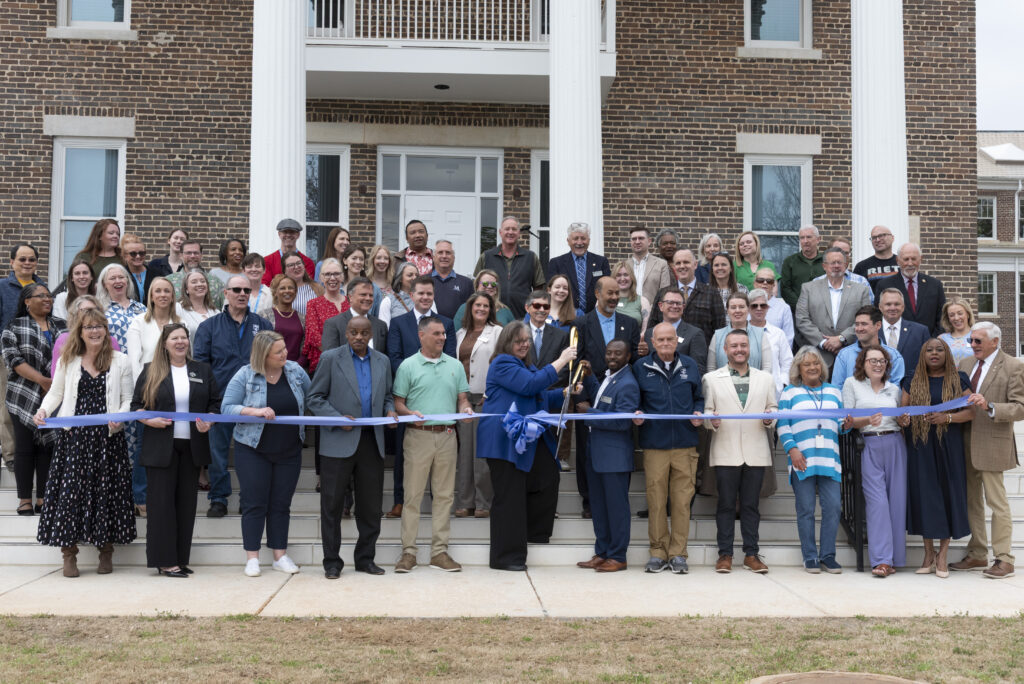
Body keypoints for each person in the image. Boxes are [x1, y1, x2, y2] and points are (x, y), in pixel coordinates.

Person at [34, 308, 135, 577]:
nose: (94, 331)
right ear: (80, 331)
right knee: (70, 497)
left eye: (99, 326)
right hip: (74, 439)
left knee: (107, 494)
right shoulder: (69, 359)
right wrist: (44, 411)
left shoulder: (121, 360)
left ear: (106, 330)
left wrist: (120, 418)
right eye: (89, 327)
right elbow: (56, 393)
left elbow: (128, 398)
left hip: (108, 440)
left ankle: (106, 551)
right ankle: (69, 555)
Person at [477, 321, 577, 570]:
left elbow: (538, 395)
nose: (523, 345)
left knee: (547, 475)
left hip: (524, 439)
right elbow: (530, 386)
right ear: (507, 343)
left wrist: (565, 392)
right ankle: (505, 557)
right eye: (518, 340)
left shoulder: (526, 365)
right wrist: (562, 360)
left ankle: (535, 533)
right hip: (503, 441)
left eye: (526, 340)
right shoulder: (502, 362)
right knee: (508, 497)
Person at [308, 316, 397, 578]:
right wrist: (336, 417)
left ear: (371, 334)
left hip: (372, 442)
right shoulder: (330, 358)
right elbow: (314, 398)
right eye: (353, 332)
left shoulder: (382, 361)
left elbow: (388, 395)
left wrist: (390, 410)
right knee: (332, 506)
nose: (358, 337)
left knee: (370, 506)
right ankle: (332, 562)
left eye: (364, 333)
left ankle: (365, 559)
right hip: (338, 443)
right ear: (346, 333)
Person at [131, 323, 219, 578]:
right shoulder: (151, 371)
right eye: (174, 338)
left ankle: (180, 559)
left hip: (192, 447)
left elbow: (215, 403)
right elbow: (136, 405)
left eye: (184, 338)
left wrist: (209, 421)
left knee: (186, 505)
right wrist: (149, 420)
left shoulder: (202, 370)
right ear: (165, 343)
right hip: (161, 447)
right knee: (161, 506)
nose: (180, 342)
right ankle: (164, 561)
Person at [221, 331, 310, 577]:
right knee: (254, 502)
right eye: (279, 352)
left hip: (289, 449)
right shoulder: (245, 374)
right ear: (264, 355)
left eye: (284, 349)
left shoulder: (294, 371)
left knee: (281, 504)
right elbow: (226, 407)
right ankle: (252, 557)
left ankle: (279, 556)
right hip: (253, 449)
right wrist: (254, 411)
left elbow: (312, 397)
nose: (285, 354)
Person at [392, 317, 473, 573]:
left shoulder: (455, 366)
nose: (442, 338)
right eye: (436, 334)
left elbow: (462, 398)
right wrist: (408, 412)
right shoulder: (407, 366)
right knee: (413, 496)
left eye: (443, 334)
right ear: (421, 336)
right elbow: (398, 402)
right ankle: (408, 553)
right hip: (418, 436)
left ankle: (439, 552)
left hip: (448, 435)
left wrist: (466, 407)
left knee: (444, 496)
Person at [192, 275, 274, 518]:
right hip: (219, 400)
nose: (242, 294)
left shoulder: (263, 325)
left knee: (252, 453)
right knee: (217, 452)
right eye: (236, 289)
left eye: (246, 290)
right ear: (225, 293)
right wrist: (206, 400)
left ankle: (250, 498)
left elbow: (272, 362)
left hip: (255, 400)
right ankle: (218, 497)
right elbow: (200, 366)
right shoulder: (209, 326)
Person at [952, 322, 1024, 579]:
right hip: (965, 441)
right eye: (971, 341)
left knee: (997, 503)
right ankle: (978, 553)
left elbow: (1020, 407)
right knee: (972, 501)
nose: (973, 346)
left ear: (995, 341)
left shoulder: (1014, 366)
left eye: (978, 341)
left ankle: (1004, 558)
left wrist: (990, 405)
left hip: (993, 441)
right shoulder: (965, 364)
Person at [897, 339, 974, 578]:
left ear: (946, 353)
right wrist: (904, 420)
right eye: (929, 350)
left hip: (948, 444)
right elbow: (903, 412)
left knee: (947, 494)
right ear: (922, 354)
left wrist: (947, 419)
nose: (934, 353)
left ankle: (943, 555)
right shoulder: (911, 379)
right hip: (921, 445)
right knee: (925, 497)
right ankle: (928, 554)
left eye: (939, 349)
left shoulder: (958, 378)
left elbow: (971, 411)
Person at [632, 322, 705, 575]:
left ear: (677, 341)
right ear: (653, 342)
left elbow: (699, 397)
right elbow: (636, 400)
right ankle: (657, 552)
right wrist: (637, 413)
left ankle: (678, 554)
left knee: (682, 503)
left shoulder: (690, 365)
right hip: (655, 446)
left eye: (669, 340)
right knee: (656, 500)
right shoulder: (641, 367)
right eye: (660, 340)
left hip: (685, 444)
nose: (665, 344)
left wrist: (699, 412)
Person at [704, 329, 777, 574]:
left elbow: (772, 409)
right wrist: (710, 421)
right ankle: (724, 554)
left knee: (750, 506)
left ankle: (751, 554)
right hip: (726, 449)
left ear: (750, 349)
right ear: (725, 350)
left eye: (743, 345)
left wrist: (769, 420)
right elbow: (707, 412)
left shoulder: (765, 378)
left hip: (755, 450)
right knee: (725, 504)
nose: (739, 350)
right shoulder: (711, 378)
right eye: (734, 346)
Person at [385, 276, 458, 518]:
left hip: (438, 394)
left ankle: (439, 501)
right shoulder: (398, 323)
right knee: (402, 451)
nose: (425, 298)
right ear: (412, 295)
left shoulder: (446, 323)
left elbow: (449, 356)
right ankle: (399, 499)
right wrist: (412, 381)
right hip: (406, 394)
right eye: (421, 294)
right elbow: (393, 356)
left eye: (429, 294)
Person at [573, 276, 640, 517]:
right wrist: (581, 399)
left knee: (615, 445)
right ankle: (589, 499)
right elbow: (576, 362)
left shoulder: (630, 323)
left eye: (617, 293)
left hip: (620, 392)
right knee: (585, 449)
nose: (614, 297)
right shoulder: (581, 323)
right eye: (609, 293)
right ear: (597, 294)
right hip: (590, 397)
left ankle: (613, 495)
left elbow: (633, 359)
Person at [842, 347, 911, 577]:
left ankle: (895, 560)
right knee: (877, 503)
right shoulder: (852, 384)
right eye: (873, 360)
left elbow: (899, 420)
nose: (878, 364)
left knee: (897, 502)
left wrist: (903, 420)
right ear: (863, 363)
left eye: (882, 361)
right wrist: (865, 421)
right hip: (868, 445)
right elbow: (846, 422)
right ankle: (881, 560)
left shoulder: (893, 389)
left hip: (894, 444)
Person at [574, 339, 639, 573]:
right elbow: (603, 399)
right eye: (609, 352)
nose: (612, 357)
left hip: (614, 457)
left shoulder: (628, 383)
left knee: (616, 509)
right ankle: (602, 552)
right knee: (600, 508)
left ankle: (618, 555)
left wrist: (588, 413)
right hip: (596, 454)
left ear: (628, 356)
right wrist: (590, 377)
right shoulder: (609, 378)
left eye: (618, 354)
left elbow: (622, 421)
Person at [777, 346, 844, 574]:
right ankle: (810, 557)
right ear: (799, 369)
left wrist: (851, 423)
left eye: (816, 363)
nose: (813, 367)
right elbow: (782, 424)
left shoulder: (834, 391)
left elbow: (841, 425)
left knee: (833, 507)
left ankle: (828, 555)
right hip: (801, 459)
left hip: (829, 459)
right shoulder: (789, 393)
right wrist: (792, 450)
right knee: (805, 509)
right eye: (807, 364)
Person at [2, 283, 65, 516]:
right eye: (41, 296)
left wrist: (54, 386)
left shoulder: (62, 325)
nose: (48, 299)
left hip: (56, 395)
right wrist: (42, 381)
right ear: (27, 301)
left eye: (49, 296)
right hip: (23, 394)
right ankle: (25, 500)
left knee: (48, 446)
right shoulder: (14, 326)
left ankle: (43, 498)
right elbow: (13, 359)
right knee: (25, 447)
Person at [125, 277, 184, 515]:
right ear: (150, 296)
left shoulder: (180, 322)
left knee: (175, 445)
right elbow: (135, 361)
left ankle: (168, 495)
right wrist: (150, 391)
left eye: (167, 291)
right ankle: (141, 496)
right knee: (144, 447)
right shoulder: (138, 322)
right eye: (157, 291)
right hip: (149, 393)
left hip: (178, 391)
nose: (162, 295)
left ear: (172, 295)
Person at [0, 243, 48, 472]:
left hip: (37, 357)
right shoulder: (2, 287)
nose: (27, 263)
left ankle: (32, 451)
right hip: (8, 355)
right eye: (22, 259)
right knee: (7, 406)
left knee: (35, 404)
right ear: (12, 262)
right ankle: (10, 454)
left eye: (31, 259)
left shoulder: (42, 287)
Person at [454, 292, 503, 518]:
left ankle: (483, 502)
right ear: (470, 308)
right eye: (477, 305)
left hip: (486, 398)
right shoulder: (460, 333)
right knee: (465, 451)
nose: (481, 309)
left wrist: (490, 392)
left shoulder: (497, 332)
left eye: (485, 305)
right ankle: (464, 502)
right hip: (464, 398)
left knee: (482, 453)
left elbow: (500, 364)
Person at [794, 247, 872, 366]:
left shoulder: (861, 290)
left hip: (851, 356)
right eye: (832, 263)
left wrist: (842, 339)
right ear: (824, 266)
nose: (836, 266)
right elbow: (802, 319)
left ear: (846, 265)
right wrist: (823, 342)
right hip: (817, 357)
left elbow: (866, 319)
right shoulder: (808, 288)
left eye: (839, 262)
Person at [474, 215, 546, 318]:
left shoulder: (531, 257)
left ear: (519, 233)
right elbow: (476, 286)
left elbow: (538, 289)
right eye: (507, 229)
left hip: (522, 317)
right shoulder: (487, 256)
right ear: (500, 232)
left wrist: (532, 310)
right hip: (491, 316)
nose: (510, 232)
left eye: (514, 229)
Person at [875, 243, 946, 336]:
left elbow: (942, 317)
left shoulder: (935, 285)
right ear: (897, 261)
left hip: (929, 344)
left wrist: (933, 341)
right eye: (906, 259)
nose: (910, 263)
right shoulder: (884, 285)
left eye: (914, 259)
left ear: (921, 259)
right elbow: (878, 315)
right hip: (897, 341)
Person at [830, 305, 906, 391]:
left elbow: (897, 391)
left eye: (864, 324)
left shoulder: (894, 356)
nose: (859, 329)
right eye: (857, 324)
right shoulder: (844, 355)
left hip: (884, 404)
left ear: (878, 325)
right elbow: (837, 389)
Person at [545, 222, 611, 313]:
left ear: (589, 240)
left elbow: (607, 288)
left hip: (595, 315)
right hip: (566, 316)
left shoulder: (601, 262)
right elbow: (550, 292)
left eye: (583, 238)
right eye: (575, 238)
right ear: (568, 241)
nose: (579, 242)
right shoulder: (556, 263)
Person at [638, 287, 707, 373]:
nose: (674, 306)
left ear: (683, 307)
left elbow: (698, 369)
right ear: (661, 306)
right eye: (670, 302)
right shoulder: (649, 333)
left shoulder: (695, 334)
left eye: (678, 303)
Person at [51, 295, 121, 375]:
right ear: (75, 314)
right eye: (85, 310)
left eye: (93, 310)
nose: (90, 314)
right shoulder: (64, 340)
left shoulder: (111, 341)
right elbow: (55, 376)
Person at [302, 257, 350, 374]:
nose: (332, 278)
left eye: (336, 274)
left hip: (351, 363)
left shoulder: (351, 302)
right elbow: (315, 337)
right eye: (327, 274)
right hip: (324, 363)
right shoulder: (313, 304)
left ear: (342, 277)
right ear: (321, 278)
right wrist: (338, 357)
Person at [670, 249, 726, 348]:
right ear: (674, 267)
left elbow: (720, 330)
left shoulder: (711, 293)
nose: (682, 266)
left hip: (702, 353)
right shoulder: (664, 293)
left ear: (695, 264)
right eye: (678, 263)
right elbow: (654, 327)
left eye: (686, 262)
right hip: (669, 353)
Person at [706, 292, 772, 373]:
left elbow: (767, 368)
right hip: (723, 384)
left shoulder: (760, 334)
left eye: (741, 307)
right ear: (727, 311)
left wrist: (757, 384)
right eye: (733, 307)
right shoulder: (718, 335)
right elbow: (711, 368)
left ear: (748, 309)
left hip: (755, 384)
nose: (737, 311)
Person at [748, 288, 793, 399]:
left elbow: (787, 362)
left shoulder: (778, 334)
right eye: (754, 306)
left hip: (774, 393)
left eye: (762, 305)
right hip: (746, 392)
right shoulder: (740, 333)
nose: (759, 309)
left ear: (767, 308)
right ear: (748, 308)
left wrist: (782, 384)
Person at [322, 277, 387, 353]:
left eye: (371, 295)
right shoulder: (334, 324)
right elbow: (330, 359)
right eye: (363, 294)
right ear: (350, 297)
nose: (368, 298)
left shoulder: (380, 325)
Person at [877, 287, 930, 372]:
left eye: (897, 304)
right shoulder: (871, 331)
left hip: (911, 383)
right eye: (888, 304)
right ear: (880, 307)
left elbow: (928, 362)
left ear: (903, 307)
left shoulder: (920, 332)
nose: (893, 308)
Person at [96, 263, 147, 351]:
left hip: (139, 361)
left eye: (121, 277)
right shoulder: (99, 310)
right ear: (104, 284)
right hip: (111, 361)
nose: (118, 281)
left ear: (127, 281)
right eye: (112, 278)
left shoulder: (141, 308)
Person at [165, 241, 225, 309]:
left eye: (196, 253)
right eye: (188, 253)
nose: (192, 256)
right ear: (180, 255)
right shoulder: (169, 282)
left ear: (201, 255)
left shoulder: (216, 282)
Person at [780, 225, 823, 312]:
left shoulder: (827, 261)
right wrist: (800, 306)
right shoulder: (790, 262)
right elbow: (785, 289)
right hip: (797, 312)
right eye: (802, 238)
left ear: (818, 239)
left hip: (823, 312)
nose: (805, 241)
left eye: (809, 237)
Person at [265, 275, 306, 364]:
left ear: (295, 292)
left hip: (296, 370)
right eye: (282, 288)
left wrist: (295, 367)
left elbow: (305, 349)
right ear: (275, 292)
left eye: (290, 288)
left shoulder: (303, 318)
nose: (287, 291)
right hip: (271, 368)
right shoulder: (265, 316)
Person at [262, 218, 315, 285]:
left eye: (292, 232)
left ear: (298, 235)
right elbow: (265, 287)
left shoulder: (307, 263)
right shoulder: (267, 261)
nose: (288, 235)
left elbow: (307, 287)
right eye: (285, 232)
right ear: (279, 234)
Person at [429, 240, 473, 320]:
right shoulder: (423, 281)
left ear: (453, 257)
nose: (444, 256)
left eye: (448, 253)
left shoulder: (467, 283)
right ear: (434, 257)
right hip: (429, 330)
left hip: (457, 330)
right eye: (440, 252)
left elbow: (471, 311)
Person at [629, 225, 672, 306]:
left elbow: (664, 293)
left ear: (649, 241)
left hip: (652, 313)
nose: (637, 242)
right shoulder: (623, 266)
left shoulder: (661, 264)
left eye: (641, 238)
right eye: (634, 239)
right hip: (627, 313)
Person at [853, 224, 900, 294]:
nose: (877, 240)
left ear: (892, 238)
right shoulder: (862, 266)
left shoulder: (902, 262)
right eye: (874, 237)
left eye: (882, 236)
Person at [282, 250, 324, 317]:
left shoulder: (317, 288)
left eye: (299, 263)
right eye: (291, 265)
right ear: (285, 271)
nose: (296, 267)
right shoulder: (280, 291)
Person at [179, 269, 218, 338]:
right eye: (194, 282)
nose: (200, 284)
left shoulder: (216, 312)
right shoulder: (179, 309)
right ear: (186, 289)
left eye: (203, 281)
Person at [611, 259, 650, 329]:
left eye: (626, 275)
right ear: (613, 278)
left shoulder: (643, 301)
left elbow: (645, 331)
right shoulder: (604, 300)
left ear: (632, 278)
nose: (622, 279)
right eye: (618, 275)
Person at [121, 233, 158, 304]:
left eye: (141, 253)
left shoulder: (156, 274)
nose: (138, 256)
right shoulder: (121, 276)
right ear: (125, 256)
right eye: (133, 253)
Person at [378, 262, 417, 328]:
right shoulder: (388, 301)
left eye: (417, 275)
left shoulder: (425, 298)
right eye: (410, 275)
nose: (414, 278)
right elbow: (384, 329)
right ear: (401, 279)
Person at [938, 296, 975, 362]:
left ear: (968, 314)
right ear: (948, 318)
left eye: (960, 313)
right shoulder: (942, 339)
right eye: (952, 315)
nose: (956, 318)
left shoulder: (977, 335)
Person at [242, 252, 274, 318]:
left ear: (264, 270)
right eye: (249, 267)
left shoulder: (271, 294)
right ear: (243, 271)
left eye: (257, 266)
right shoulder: (235, 292)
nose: (254, 269)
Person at [366, 243, 394, 316]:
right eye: (378, 258)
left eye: (386, 258)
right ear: (373, 260)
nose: (382, 261)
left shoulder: (394, 283)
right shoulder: (365, 281)